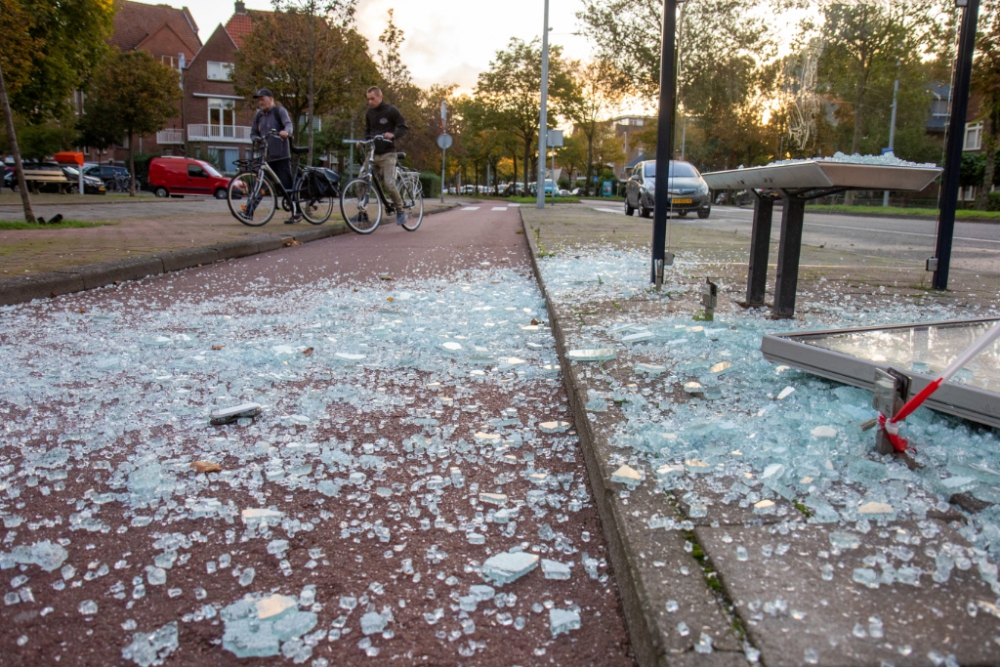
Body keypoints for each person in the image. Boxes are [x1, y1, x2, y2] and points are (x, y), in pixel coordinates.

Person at [250, 88, 299, 224]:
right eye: (259, 99)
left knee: (286, 186)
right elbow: (253, 132)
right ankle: (249, 211)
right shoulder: (259, 116)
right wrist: (255, 139)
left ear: (270, 99)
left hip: (281, 155)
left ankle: (297, 212)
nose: (260, 102)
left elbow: (288, 124)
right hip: (266, 156)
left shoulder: (279, 111)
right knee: (260, 185)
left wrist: (286, 132)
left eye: (262, 98)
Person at [364, 86, 410, 226]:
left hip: (388, 154)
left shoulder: (391, 111)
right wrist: (363, 142)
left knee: (389, 184)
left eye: (372, 99)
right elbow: (367, 131)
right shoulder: (369, 113)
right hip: (373, 153)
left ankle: (400, 210)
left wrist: (393, 135)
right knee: (361, 181)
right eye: (368, 99)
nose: (370, 102)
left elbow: (403, 128)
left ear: (380, 96)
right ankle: (362, 214)